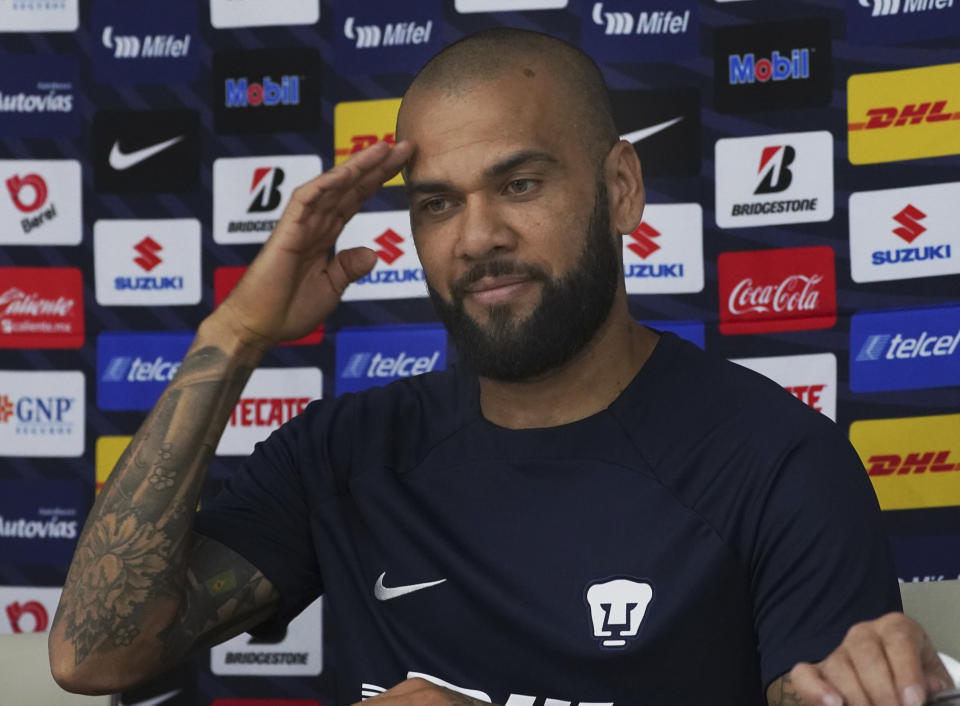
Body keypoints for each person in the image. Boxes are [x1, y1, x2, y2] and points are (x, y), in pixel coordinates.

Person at [50, 28, 951, 706]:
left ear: (620, 190)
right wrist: (235, 333)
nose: (478, 238)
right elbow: (96, 654)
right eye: (438, 202)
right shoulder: (346, 452)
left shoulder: (778, 460)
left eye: (520, 185)